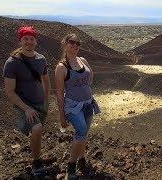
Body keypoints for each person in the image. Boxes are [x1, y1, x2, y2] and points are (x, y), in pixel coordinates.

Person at [3, 26, 51, 175]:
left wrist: (47, 100)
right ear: (20, 41)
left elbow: (46, 80)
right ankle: (36, 163)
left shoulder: (41, 59)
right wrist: (26, 109)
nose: (29, 42)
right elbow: (10, 92)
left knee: (37, 131)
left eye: (31, 39)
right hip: (24, 105)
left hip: (40, 103)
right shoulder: (12, 63)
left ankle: (34, 149)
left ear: (35, 41)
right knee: (37, 129)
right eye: (26, 39)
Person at [55, 33, 100, 179]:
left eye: (77, 43)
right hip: (73, 107)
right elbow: (60, 93)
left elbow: (90, 74)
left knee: (84, 134)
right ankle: (71, 167)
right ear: (65, 44)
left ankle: (82, 159)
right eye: (71, 42)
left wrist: (84, 87)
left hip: (88, 103)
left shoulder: (82, 60)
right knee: (81, 131)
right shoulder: (62, 67)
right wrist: (62, 116)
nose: (75, 45)